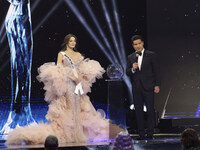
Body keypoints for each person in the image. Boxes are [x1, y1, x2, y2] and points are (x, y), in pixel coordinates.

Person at [6, 34, 122, 145]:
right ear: (67, 42)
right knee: (70, 107)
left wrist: (80, 77)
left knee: (79, 107)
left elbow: (81, 68)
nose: (73, 43)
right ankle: (70, 134)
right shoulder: (62, 54)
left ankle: (79, 133)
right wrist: (70, 76)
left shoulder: (78, 54)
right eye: (71, 41)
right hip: (68, 83)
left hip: (78, 84)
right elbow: (59, 69)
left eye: (74, 41)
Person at [126, 35, 160, 140]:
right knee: (138, 111)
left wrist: (157, 85)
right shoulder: (130, 57)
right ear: (133, 46)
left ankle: (150, 133)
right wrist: (133, 69)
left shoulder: (151, 55)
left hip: (149, 86)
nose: (138, 46)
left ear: (143, 43)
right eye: (135, 44)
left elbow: (156, 71)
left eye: (139, 43)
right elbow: (127, 72)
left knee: (150, 110)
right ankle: (141, 133)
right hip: (137, 88)